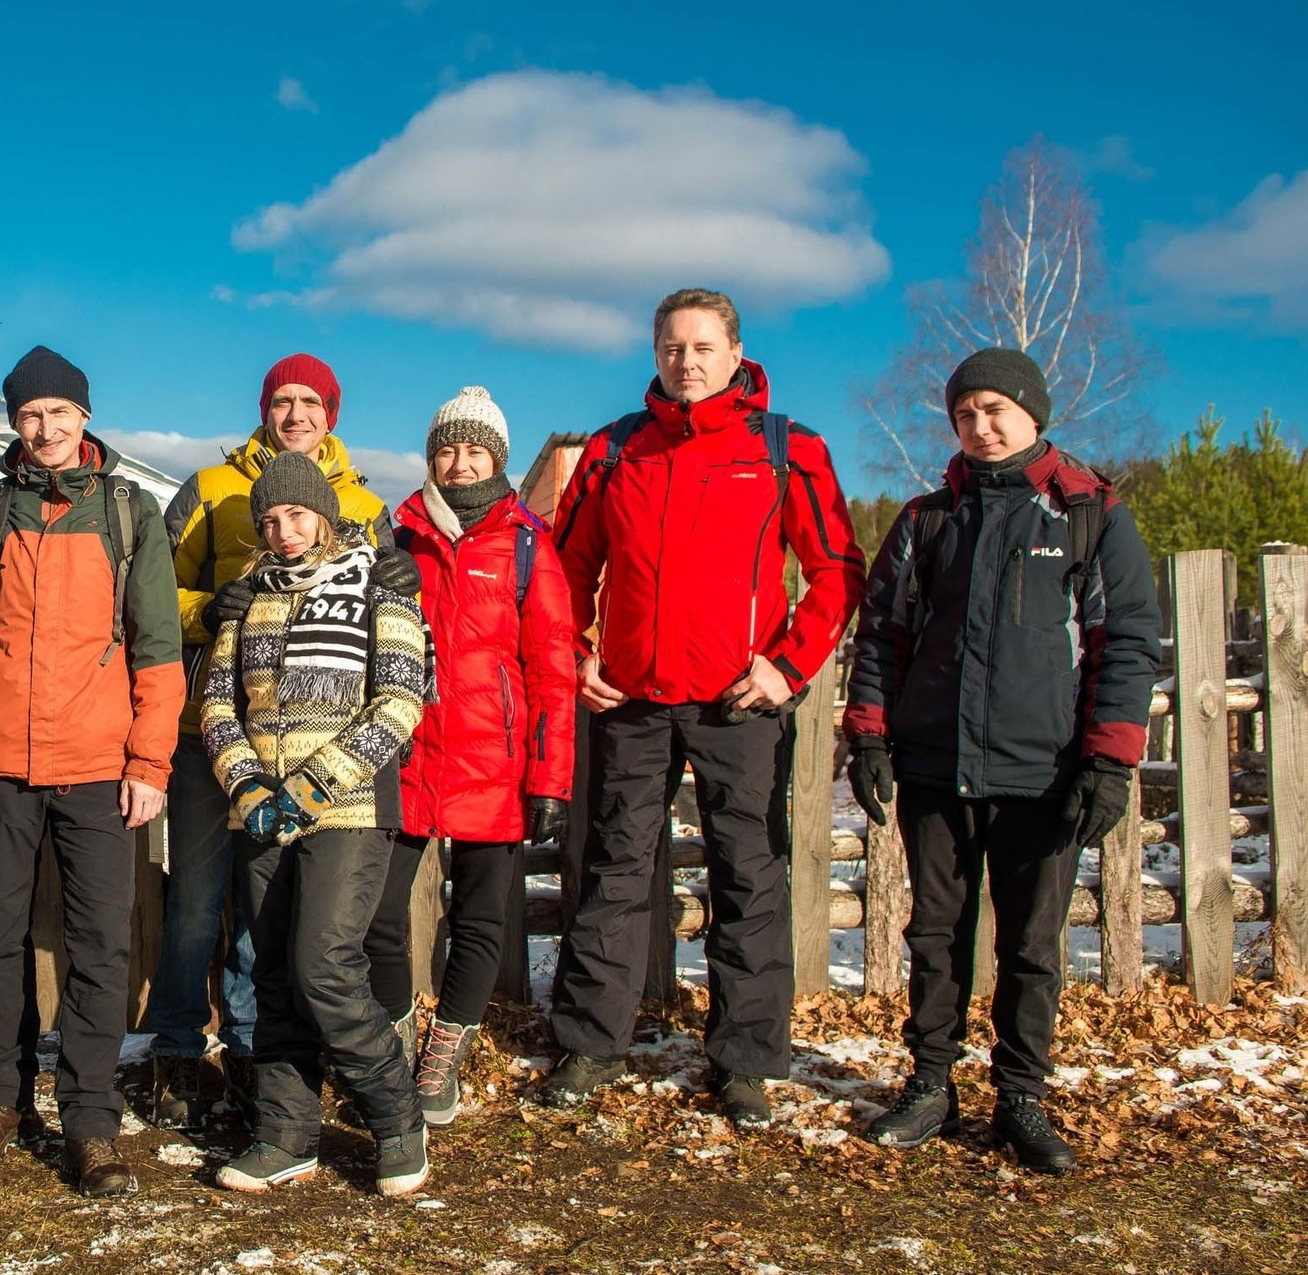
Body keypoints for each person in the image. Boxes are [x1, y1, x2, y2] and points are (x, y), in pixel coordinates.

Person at [544, 289, 863, 1126]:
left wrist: (787, 667)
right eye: (673, 346)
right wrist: (576, 653)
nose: (688, 361)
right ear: (655, 354)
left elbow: (834, 570)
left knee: (749, 876)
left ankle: (746, 1060)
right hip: (634, 701)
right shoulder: (617, 451)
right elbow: (563, 570)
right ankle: (590, 1043)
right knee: (614, 870)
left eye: (703, 346)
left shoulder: (786, 448)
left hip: (737, 703)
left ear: (736, 352)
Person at [844, 348, 1158, 1174]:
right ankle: (930, 1084)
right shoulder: (926, 522)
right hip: (935, 766)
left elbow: (1125, 645)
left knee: (1031, 945)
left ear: (1032, 413)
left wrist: (1110, 760)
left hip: (1043, 771)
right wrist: (871, 736)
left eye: (995, 411)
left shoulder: (1091, 516)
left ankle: (1021, 1096)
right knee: (936, 934)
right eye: (964, 416)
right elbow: (880, 636)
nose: (981, 428)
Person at [0, 345, 184, 1197]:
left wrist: (149, 761)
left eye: (60, 413)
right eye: (30, 415)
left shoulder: (127, 513)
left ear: (85, 418)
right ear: (15, 423)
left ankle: (92, 1122)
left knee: (99, 947)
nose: (45, 429)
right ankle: (2, 1102)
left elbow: (159, 652)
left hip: (102, 768)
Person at [156, 353, 397, 1126]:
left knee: (274, 919)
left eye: (310, 403)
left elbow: (389, 616)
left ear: (331, 414)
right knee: (196, 903)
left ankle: (261, 1057)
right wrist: (211, 611)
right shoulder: (213, 490)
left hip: (321, 752)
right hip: (218, 734)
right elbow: (157, 591)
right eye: (282, 401)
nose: (295, 414)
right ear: (264, 408)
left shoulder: (363, 503)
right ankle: (176, 1050)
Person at [200, 452, 431, 1195]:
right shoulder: (249, 601)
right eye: (270, 520)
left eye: (297, 515)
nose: (284, 530)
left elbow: (401, 700)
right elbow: (217, 707)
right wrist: (247, 787)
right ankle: (284, 1134)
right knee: (270, 974)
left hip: (351, 810)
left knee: (323, 965)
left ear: (325, 517)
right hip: (262, 817)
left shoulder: (378, 586)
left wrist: (313, 786)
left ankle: (397, 1119)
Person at [388, 388, 579, 1126]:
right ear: (432, 455)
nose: (459, 463)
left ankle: (440, 1062)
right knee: (376, 916)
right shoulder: (398, 536)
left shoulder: (527, 545)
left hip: (491, 767)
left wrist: (551, 782)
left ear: (496, 458)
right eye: (447, 448)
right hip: (403, 759)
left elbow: (553, 671)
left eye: (474, 450)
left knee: (477, 922)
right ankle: (397, 1043)